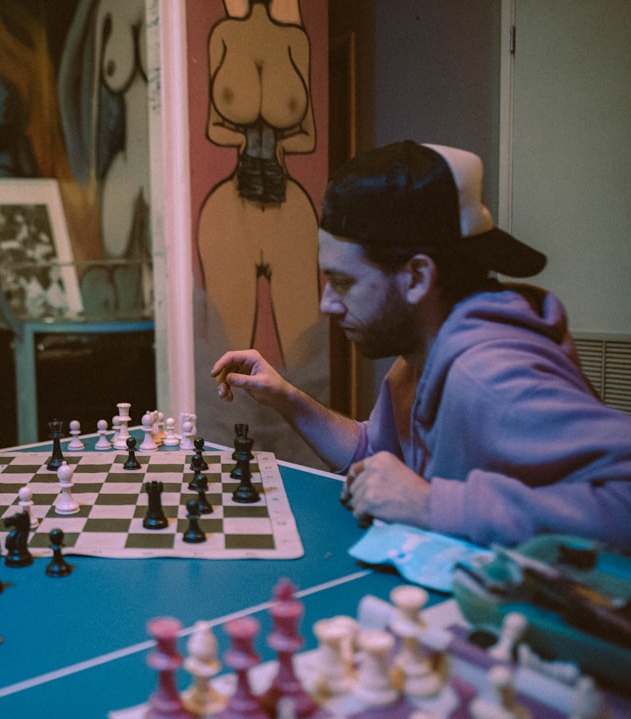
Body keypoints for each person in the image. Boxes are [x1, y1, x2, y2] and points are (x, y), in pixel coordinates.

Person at [211, 141, 631, 550]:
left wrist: (433, 504)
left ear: (416, 277)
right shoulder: (419, 356)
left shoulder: (487, 376)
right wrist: (287, 398)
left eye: (343, 282)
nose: (327, 304)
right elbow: (376, 456)